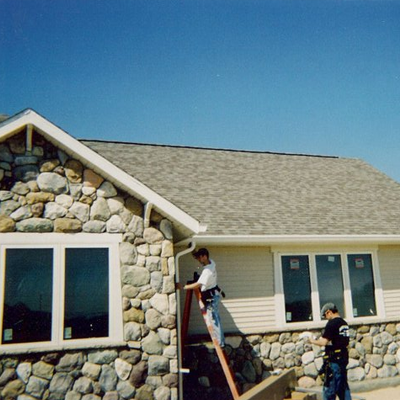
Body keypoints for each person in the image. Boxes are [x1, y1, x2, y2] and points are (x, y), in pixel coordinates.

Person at [183, 248, 225, 347]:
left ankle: (219, 343)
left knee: (214, 320)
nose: (198, 260)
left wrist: (184, 287)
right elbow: (202, 261)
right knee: (216, 319)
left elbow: (198, 284)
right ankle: (221, 342)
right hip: (213, 295)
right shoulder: (211, 263)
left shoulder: (207, 271)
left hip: (210, 298)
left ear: (205, 257)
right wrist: (195, 254)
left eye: (200, 257)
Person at [309, 303, 352, 400]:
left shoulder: (332, 323)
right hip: (343, 359)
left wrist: (312, 340)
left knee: (329, 388)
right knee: (343, 388)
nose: (326, 318)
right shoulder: (344, 323)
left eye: (325, 316)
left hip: (333, 361)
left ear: (329, 312)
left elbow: (324, 342)